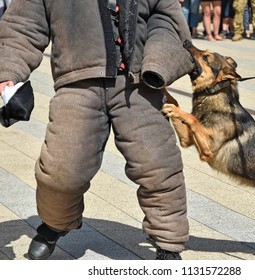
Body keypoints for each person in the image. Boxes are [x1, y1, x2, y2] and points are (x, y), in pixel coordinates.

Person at [0, 0, 194, 260]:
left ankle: (168, 242)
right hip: (77, 83)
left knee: (159, 167)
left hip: (139, 84)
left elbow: (168, 17)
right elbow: (21, 26)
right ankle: (57, 222)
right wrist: (8, 74)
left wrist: (158, 63)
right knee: (60, 171)